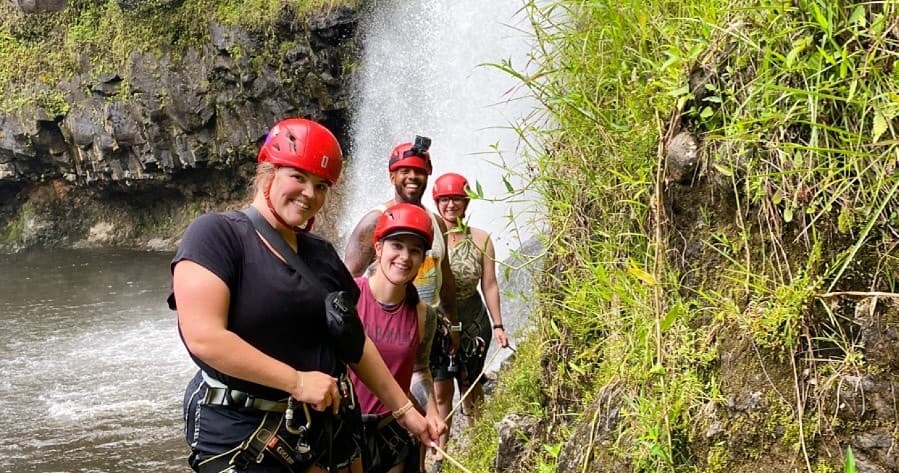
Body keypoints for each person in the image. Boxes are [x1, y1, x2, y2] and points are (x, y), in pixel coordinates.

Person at [169, 117, 438, 473]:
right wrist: (295, 382)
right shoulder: (216, 235)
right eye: (298, 177)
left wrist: (405, 412)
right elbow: (204, 337)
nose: (310, 194)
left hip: (317, 432)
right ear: (267, 172)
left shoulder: (321, 254)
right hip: (241, 431)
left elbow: (354, 342)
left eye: (321, 185)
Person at [344, 137, 460, 472]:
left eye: (419, 171)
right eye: (404, 170)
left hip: (417, 328)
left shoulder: (435, 224)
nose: (405, 257)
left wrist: (454, 323)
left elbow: (446, 276)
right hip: (351, 425)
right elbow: (345, 280)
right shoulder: (374, 223)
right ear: (379, 248)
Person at [349, 203, 446, 473]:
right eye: (397, 246)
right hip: (344, 432)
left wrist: (432, 410)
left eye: (415, 250)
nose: (405, 257)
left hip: (391, 434)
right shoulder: (349, 297)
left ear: (423, 259)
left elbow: (419, 369)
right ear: (378, 248)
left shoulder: (423, 315)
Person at [428, 173, 509, 470]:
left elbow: (490, 284)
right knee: (440, 391)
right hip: (438, 322)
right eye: (444, 200)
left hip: (473, 321)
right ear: (437, 202)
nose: (450, 205)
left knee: (470, 385)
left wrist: (498, 325)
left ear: (466, 202)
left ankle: (478, 446)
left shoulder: (481, 238)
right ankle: (440, 454)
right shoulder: (429, 238)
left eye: (456, 199)